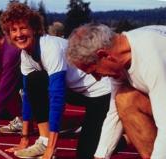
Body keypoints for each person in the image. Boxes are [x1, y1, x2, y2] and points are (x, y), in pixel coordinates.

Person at [0, 3, 112, 159]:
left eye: (23, 28)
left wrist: (52, 150)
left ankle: (122, 136)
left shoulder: (50, 48)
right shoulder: (25, 55)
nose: (19, 34)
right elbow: (28, 96)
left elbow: (57, 99)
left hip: (101, 94)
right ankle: (43, 141)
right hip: (75, 90)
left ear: (34, 28)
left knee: (85, 154)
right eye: (13, 30)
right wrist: (24, 139)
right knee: (34, 80)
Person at [67, 23, 166, 159]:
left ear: (103, 55)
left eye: (94, 71)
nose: (97, 78)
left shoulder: (152, 60)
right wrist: (100, 156)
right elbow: (114, 113)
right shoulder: (119, 56)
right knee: (124, 100)